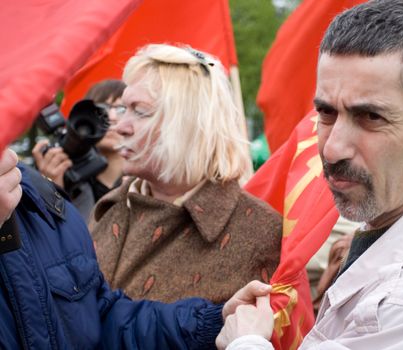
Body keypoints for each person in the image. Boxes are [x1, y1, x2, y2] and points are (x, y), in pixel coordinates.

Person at [216, 1, 403, 349]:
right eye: (326, 112)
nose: (332, 149)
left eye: (371, 117)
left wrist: (245, 342)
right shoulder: (400, 210)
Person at [89, 44, 281, 304]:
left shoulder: (261, 233)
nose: (120, 127)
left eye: (140, 111)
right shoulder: (107, 210)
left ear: (188, 123)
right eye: (124, 109)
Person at [0, 148, 228, 349]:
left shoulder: (44, 200)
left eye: (140, 110)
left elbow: (101, 320)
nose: (121, 125)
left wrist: (212, 321)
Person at [32, 79, 126, 222]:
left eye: (121, 109)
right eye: (101, 110)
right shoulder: (63, 171)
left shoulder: (144, 182)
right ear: (84, 117)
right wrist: (51, 189)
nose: (111, 117)